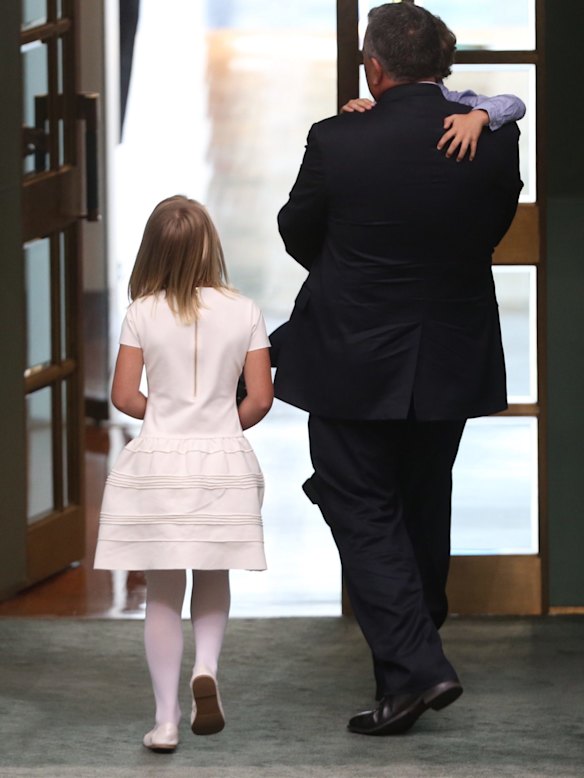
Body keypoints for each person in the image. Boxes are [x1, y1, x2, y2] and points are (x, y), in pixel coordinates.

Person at [273, 2, 522, 736]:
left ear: (372, 66)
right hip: (449, 353)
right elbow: (492, 228)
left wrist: (352, 268)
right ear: (439, 64)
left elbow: (296, 232)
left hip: (351, 355)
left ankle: (418, 665)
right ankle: (404, 686)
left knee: (358, 502)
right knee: (420, 506)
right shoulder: (495, 143)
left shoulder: (338, 139)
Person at [94, 196, 273, 751]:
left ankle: (166, 720)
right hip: (222, 458)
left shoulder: (142, 312)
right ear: (209, 247)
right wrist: (220, 422)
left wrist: (168, 416)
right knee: (213, 572)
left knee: (164, 590)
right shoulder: (244, 310)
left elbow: (124, 395)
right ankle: (209, 670)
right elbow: (262, 399)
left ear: (153, 251)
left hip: (160, 460)